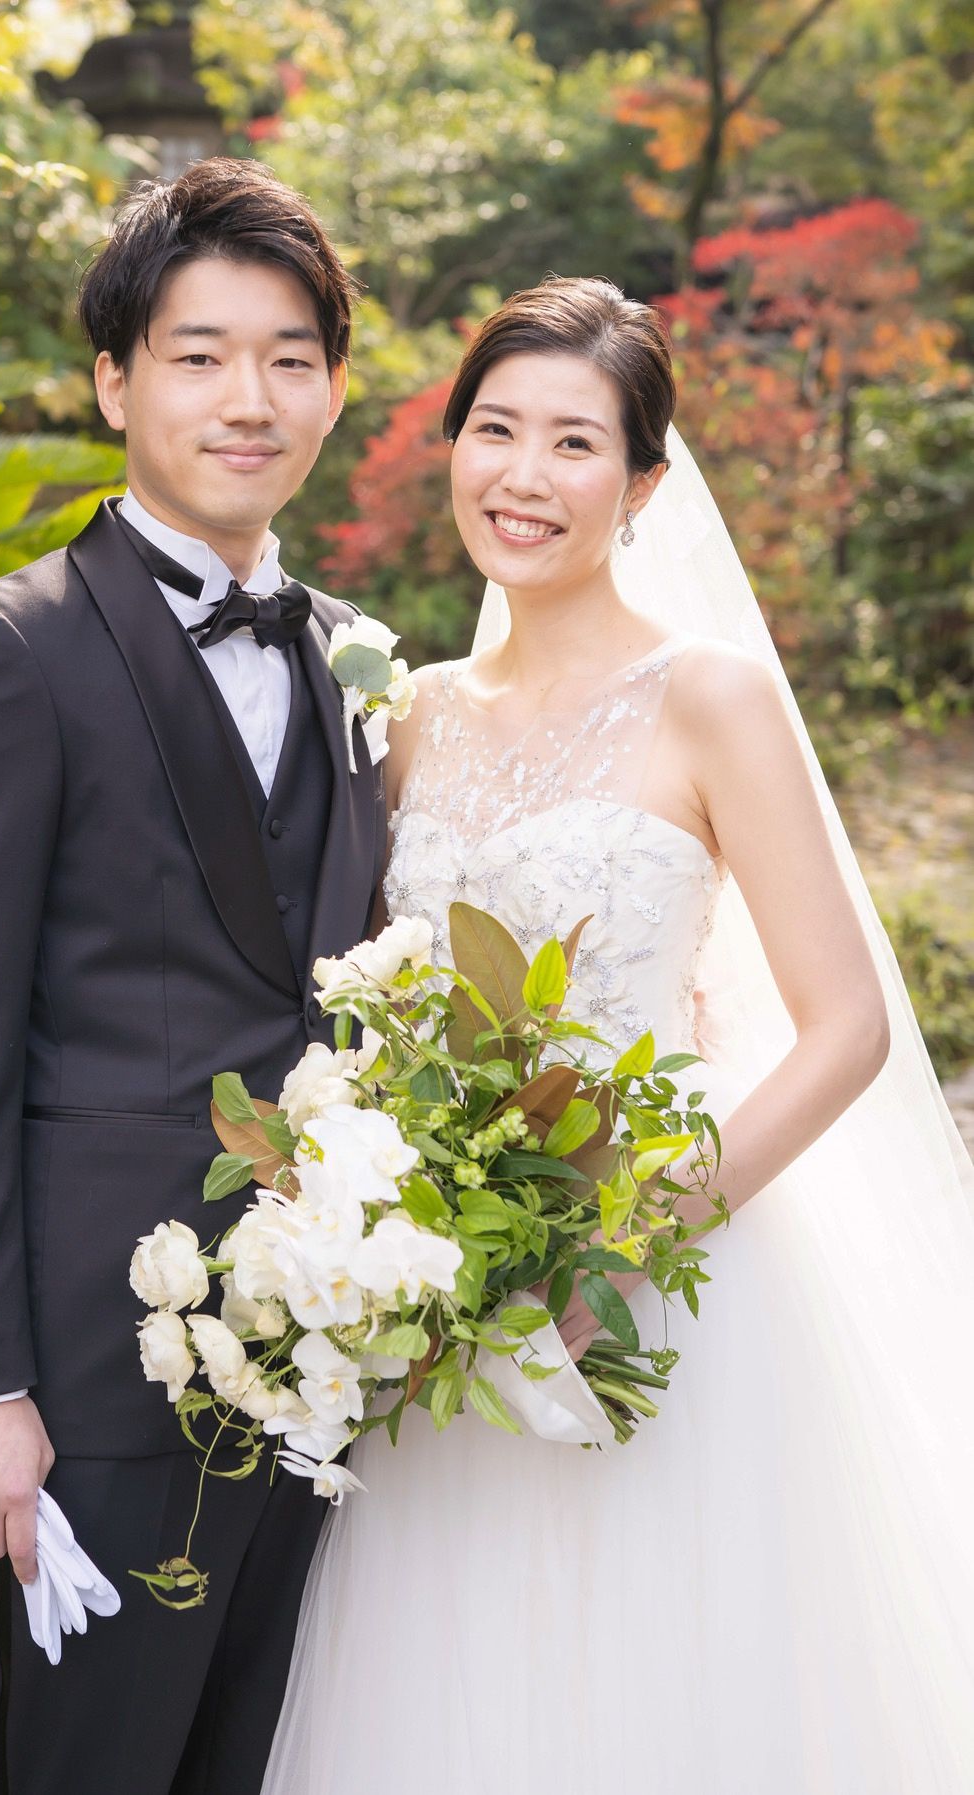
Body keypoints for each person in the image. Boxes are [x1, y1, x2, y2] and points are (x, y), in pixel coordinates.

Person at [261, 277, 974, 1793]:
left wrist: (622, 1248)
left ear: (644, 484)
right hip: (461, 1297)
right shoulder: (410, 717)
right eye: (496, 429)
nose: (524, 475)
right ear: (453, 444)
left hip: (666, 1277)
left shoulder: (712, 698)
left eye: (574, 443)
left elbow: (846, 1027)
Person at [0, 158, 385, 1795]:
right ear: (113, 380)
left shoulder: (351, 657)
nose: (250, 398)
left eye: (290, 357)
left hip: (324, 1372)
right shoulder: (7, 649)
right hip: (91, 1381)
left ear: (334, 389)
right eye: (199, 354)